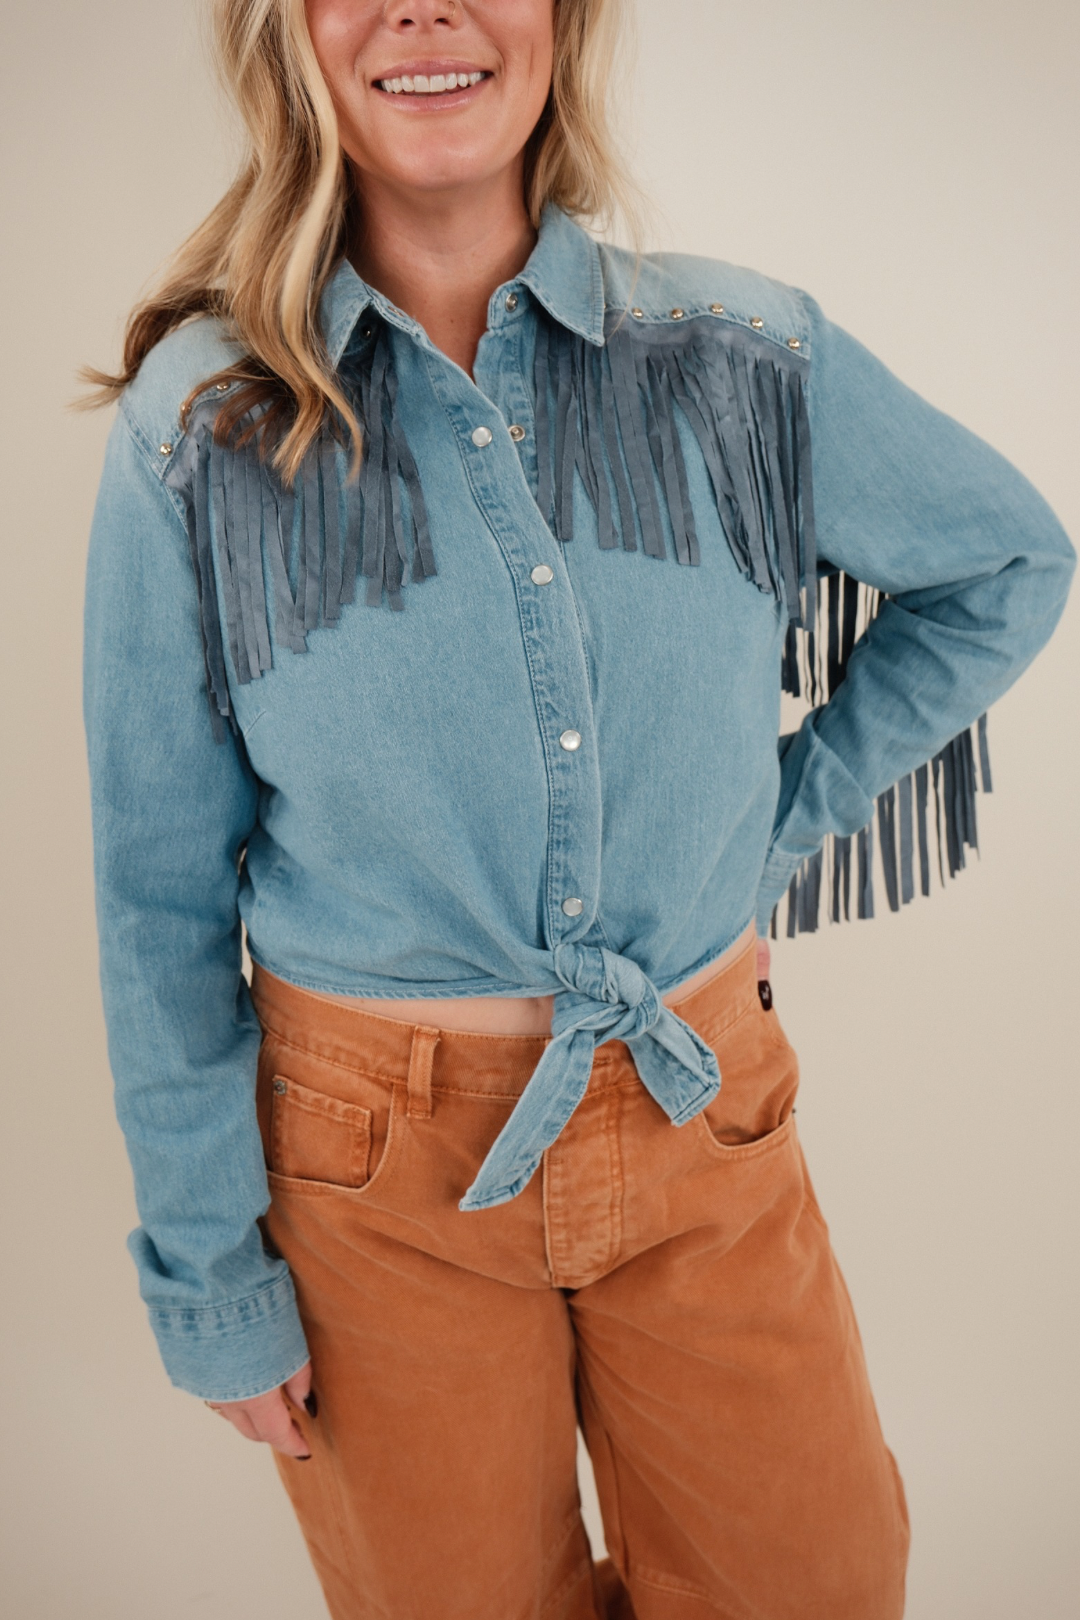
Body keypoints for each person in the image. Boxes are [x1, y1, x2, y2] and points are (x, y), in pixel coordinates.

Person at [81, 2, 1074, 1616]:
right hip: (370, 1176)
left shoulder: (749, 361)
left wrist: (772, 821)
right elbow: (156, 897)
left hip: (705, 1111)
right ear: (291, 38)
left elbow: (1006, 564)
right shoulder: (202, 433)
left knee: (818, 1585)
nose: (422, 13)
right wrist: (212, 1280)